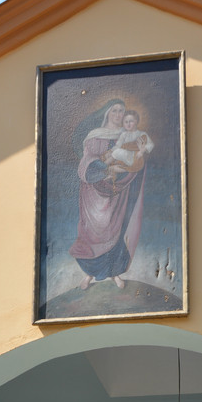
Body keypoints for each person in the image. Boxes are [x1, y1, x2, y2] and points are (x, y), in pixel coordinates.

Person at [69, 100, 149, 291]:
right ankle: (89, 274)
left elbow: (135, 160)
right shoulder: (95, 135)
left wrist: (139, 154)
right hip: (94, 191)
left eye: (122, 111)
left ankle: (114, 273)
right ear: (107, 113)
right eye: (115, 111)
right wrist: (106, 168)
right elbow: (87, 161)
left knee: (117, 228)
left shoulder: (127, 135)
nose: (118, 114)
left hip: (118, 190)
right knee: (90, 232)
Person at [106, 111, 154, 178]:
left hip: (135, 158)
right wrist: (111, 151)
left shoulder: (141, 134)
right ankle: (109, 171)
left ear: (136, 122)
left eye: (131, 121)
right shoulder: (124, 134)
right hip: (124, 157)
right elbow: (118, 145)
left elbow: (151, 144)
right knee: (112, 164)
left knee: (117, 152)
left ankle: (103, 166)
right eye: (126, 122)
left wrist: (141, 151)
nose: (128, 124)